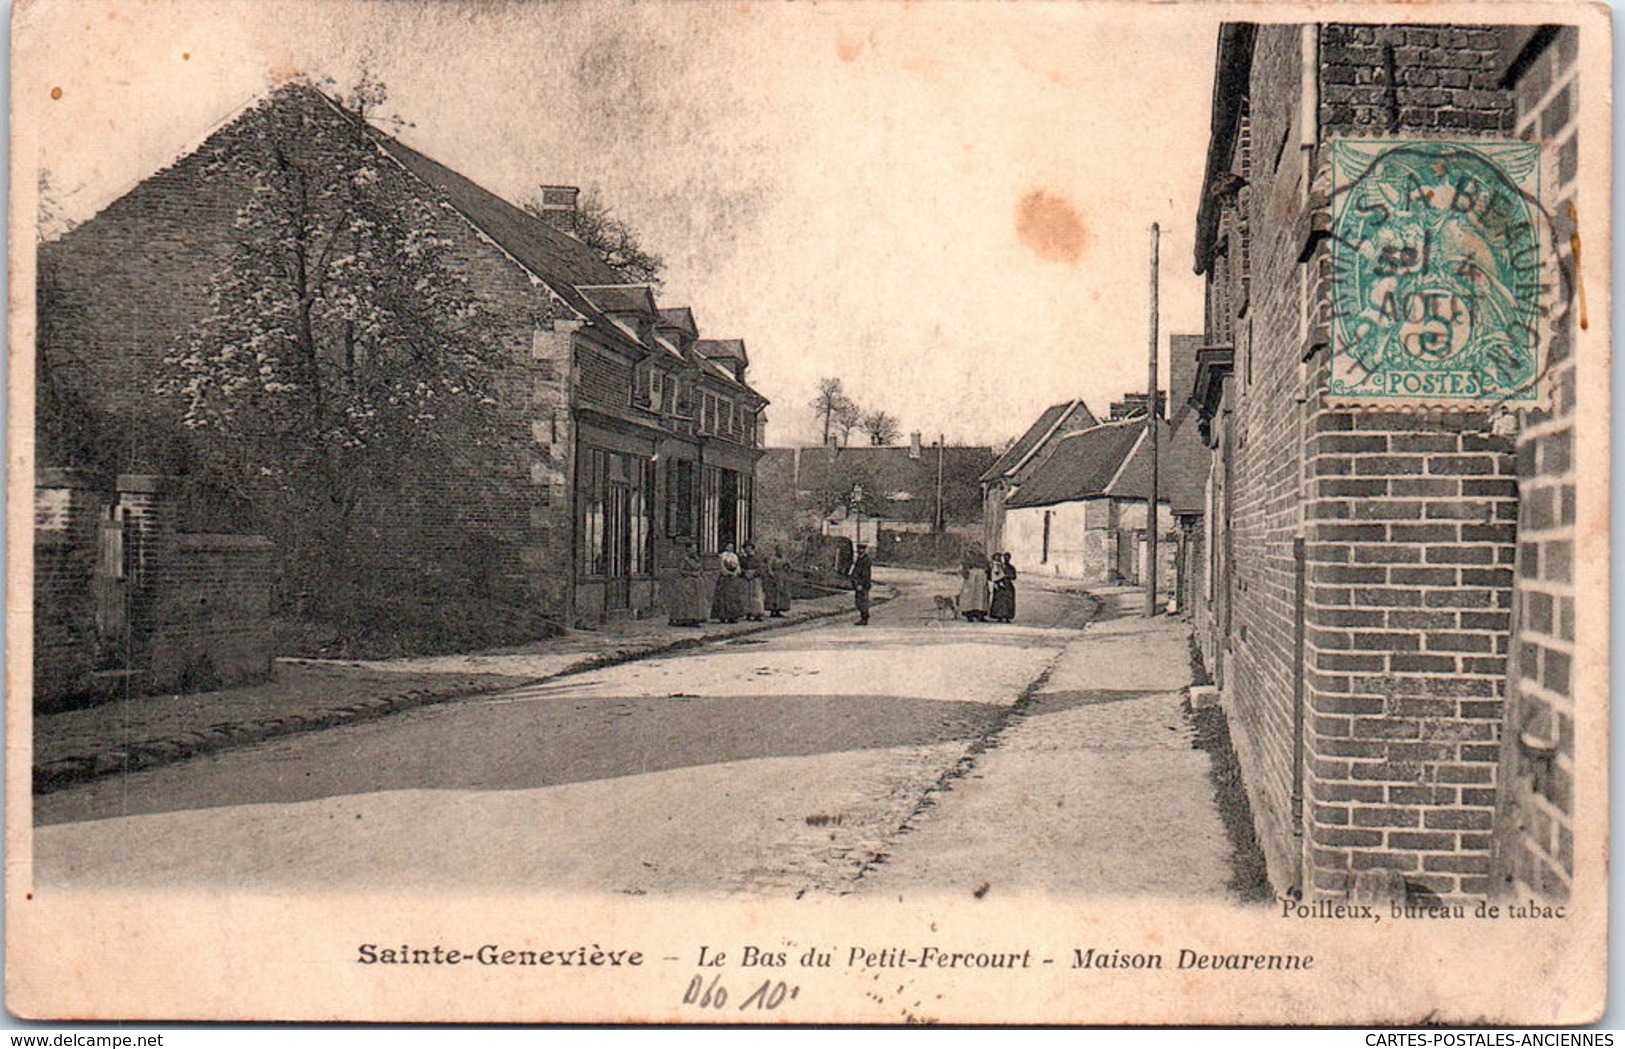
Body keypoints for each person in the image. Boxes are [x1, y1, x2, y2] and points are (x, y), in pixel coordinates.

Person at [667, 541, 710, 627]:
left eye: (696, 548)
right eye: (693, 548)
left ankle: (696, 618)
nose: (695, 550)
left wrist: (699, 573)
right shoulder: (683, 558)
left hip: (697, 583)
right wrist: (691, 574)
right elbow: (681, 570)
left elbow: (701, 567)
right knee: (687, 602)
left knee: (697, 601)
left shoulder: (696, 558)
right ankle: (684, 619)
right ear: (688, 549)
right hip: (686, 582)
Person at [712, 543, 746, 623]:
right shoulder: (722, 556)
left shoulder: (734, 556)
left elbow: (738, 567)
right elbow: (721, 567)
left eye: (732, 547)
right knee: (723, 597)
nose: (730, 548)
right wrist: (727, 572)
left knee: (733, 597)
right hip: (724, 579)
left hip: (733, 579)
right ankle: (723, 616)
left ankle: (732, 616)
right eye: (728, 546)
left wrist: (735, 573)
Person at [958, 545, 990, 622]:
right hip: (971, 578)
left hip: (981, 578)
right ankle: (969, 615)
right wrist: (965, 574)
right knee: (970, 596)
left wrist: (987, 572)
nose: (976, 549)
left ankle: (980, 615)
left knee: (981, 596)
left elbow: (987, 566)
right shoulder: (967, 557)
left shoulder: (983, 557)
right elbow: (963, 567)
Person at [763, 545, 793, 617]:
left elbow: (790, 565)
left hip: (782, 576)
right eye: (779, 550)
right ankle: (773, 610)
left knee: (781, 592)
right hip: (774, 577)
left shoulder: (784, 558)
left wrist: (787, 570)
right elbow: (769, 567)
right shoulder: (772, 558)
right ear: (776, 550)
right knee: (774, 593)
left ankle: (779, 609)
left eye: (782, 550)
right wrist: (771, 574)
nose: (780, 551)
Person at [740, 542, 767, 621]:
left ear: (752, 548)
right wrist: (744, 573)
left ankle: (758, 614)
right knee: (747, 596)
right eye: (745, 549)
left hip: (755, 579)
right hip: (746, 579)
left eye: (749, 548)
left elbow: (760, 568)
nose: (747, 550)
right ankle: (748, 613)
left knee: (756, 596)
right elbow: (740, 567)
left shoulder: (757, 558)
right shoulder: (743, 559)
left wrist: (754, 574)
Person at [849, 542, 873, 626]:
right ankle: (864, 617)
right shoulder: (860, 558)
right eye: (859, 549)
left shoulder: (865, 560)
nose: (860, 550)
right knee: (859, 602)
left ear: (864, 550)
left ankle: (864, 618)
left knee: (862, 602)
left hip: (862, 584)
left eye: (861, 549)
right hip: (858, 584)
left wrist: (861, 584)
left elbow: (865, 574)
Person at [989, 552, 1018, 623]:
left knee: (1008, 601)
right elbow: (993, 575)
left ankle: (1007, 616)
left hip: (1008, 585)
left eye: (1008, 558)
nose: (1006, 559)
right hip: (999, 584)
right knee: (999, 600)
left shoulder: (1011, 567)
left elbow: (1014, 577)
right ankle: (999, 616)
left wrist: (1008, 575)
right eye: (1005, 557)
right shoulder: (999, 566)